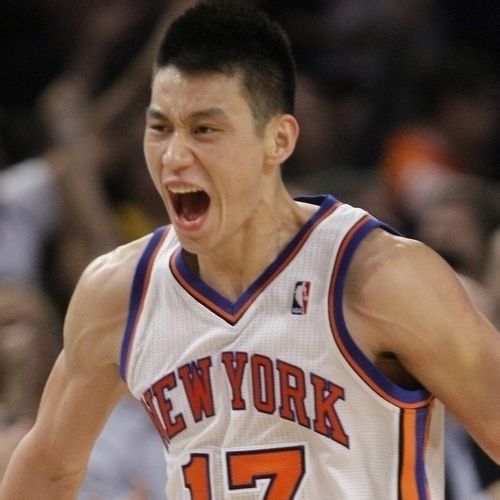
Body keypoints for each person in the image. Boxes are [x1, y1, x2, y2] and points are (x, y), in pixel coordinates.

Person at [1, 2, 499, 499]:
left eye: (204, 130)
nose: (174, 156)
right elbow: (49, 469)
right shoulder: (120, 292)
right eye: (160, 128)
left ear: (278, 139)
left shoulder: (378, 277)